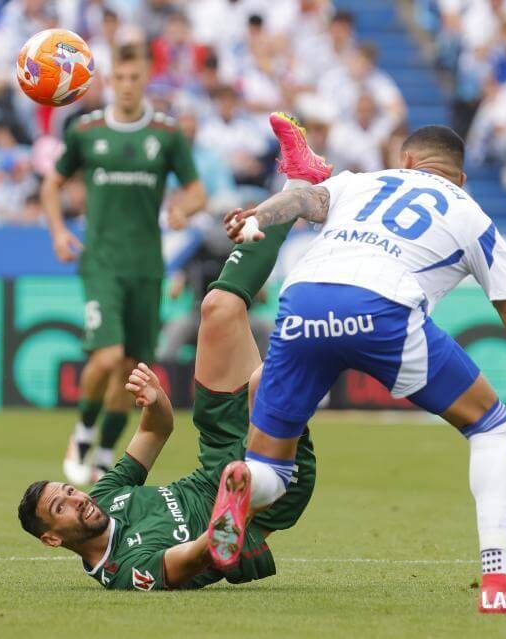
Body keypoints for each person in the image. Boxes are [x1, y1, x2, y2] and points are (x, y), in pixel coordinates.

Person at [217, 125, 506, 613]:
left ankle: (242, 476)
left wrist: (254, 216)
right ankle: (497, 584)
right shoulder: (472, 216)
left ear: (406, 161)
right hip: (381, 304)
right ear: (462, 176)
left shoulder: (361, 181)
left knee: (271, 472)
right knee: (491, 425)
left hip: (304, 298)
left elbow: (302, 201)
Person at [17, 113, 326, 591]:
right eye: (63, 508)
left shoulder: (108, 495)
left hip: (217, 455)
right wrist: (224, 523)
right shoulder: (121, 570)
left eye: (69, 492)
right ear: (54, 539)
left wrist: (155, 399)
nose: (78, 500)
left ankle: (299, 179)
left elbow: (158, 429)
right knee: (264, 384)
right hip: (262, 496)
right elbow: (181, 565)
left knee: (219, 307)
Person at [42, 43, 206, 484]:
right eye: (121, 78)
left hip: (147, 266)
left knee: (131, 367)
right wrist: (59, 231)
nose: (128, 86)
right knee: (106, 356)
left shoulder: (167, 134)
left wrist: (183, 210)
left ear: (146, 79)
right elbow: (52, 183)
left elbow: (197, 191)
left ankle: (105, 451)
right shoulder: (87, 130)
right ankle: (83, 430)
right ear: (110, 81)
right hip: (102, 262)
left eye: (136, 78)